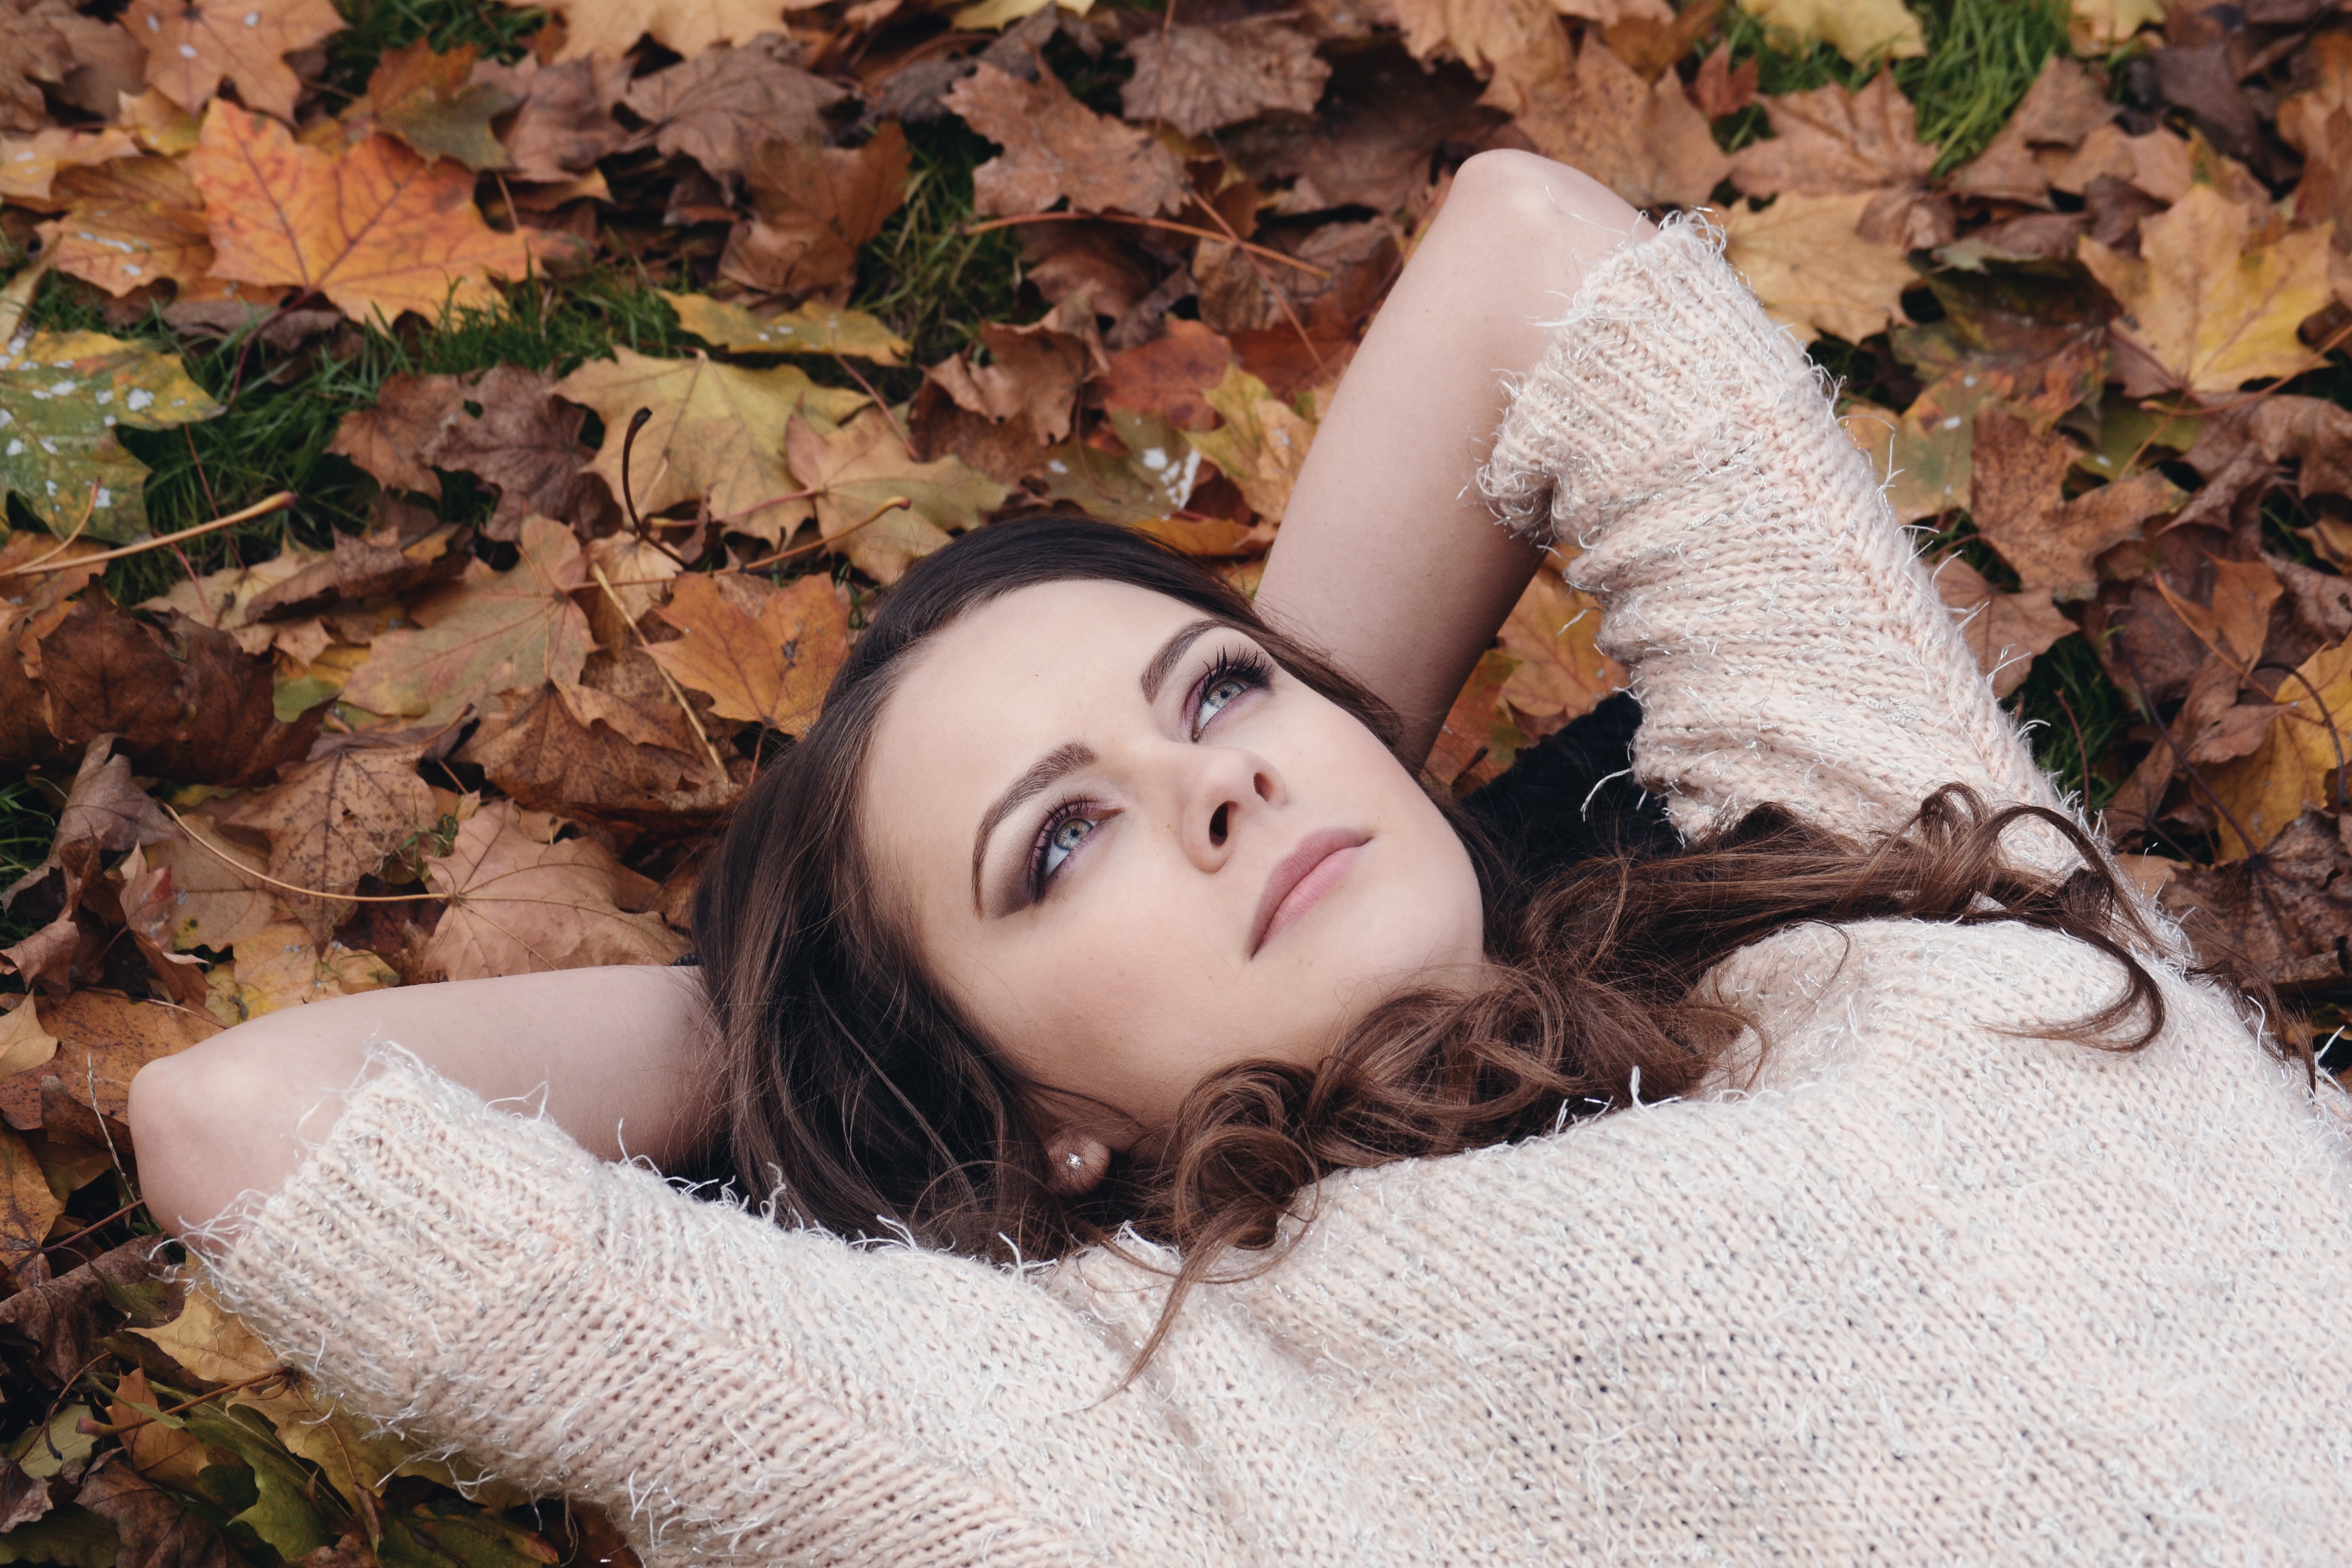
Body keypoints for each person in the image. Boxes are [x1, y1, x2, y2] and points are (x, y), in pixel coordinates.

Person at [128, 151, 2352, 1563]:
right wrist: (824, 1038)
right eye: (1060, 842)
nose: (1217, 780)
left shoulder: (1863, 886)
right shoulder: (1128, 1417)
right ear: (1024, 1120)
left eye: (1217, 697)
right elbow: (245, 1126)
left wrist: (1313, 752)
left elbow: (1525, 257)